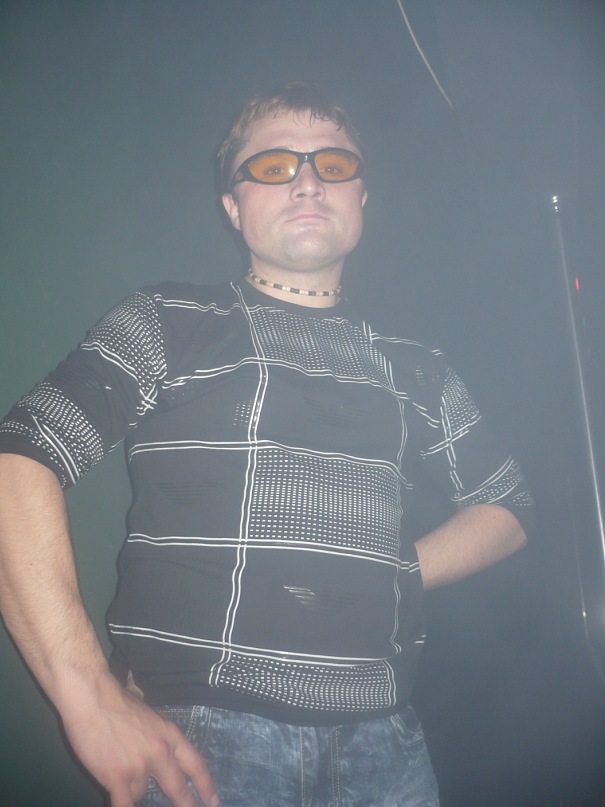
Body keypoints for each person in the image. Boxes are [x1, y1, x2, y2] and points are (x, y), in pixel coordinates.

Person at [0, 82, 532, 807]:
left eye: (333, 165)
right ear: (232, 205)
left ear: (361, 197)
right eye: (274, 166)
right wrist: (86, 693)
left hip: (388, 751)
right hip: (201, 746)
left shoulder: (417, 367)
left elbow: (508, 506)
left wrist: (396, 567)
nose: (308, 182)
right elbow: (19, 458)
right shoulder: (167, 320)